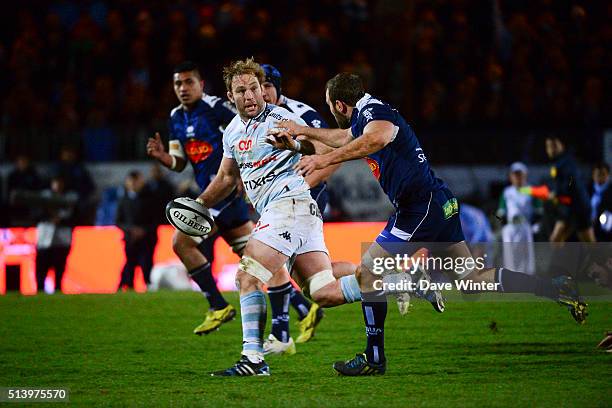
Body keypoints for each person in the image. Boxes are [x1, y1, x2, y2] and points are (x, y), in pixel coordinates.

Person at [272, 73, 587, 376]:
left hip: (418, 207)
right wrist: (304, 131)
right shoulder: (363, 115)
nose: (330, 113)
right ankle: (554, 287)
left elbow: (377, 138)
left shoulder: (374, 112)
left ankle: (374, 356)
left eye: (330, 107)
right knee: (471, 278)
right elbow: (345, 137)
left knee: (367, 271)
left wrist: (323, 159)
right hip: (438, 202)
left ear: (339, 105)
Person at [196, 59, 369, 376]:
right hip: (298, 213)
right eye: (240, 90)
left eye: (253, 88)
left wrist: (296, 144)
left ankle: (253, 360)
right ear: (230, 96)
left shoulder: (281, 118)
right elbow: (225, 178)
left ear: (263, 90)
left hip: (288, 206)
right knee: (322, 292)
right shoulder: (232, 131)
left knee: (247, 277)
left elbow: (316, 145)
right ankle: (397, 281)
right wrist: (199, 203)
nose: (249, 95)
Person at [260, 64, 357, 353]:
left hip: (301, 202)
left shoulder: (300, 115)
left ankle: (280, 336)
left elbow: (334, 157)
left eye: (266, 85)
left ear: (278, 87)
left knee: (263, 261)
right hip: (278, 203)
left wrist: (303, 185)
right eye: (255, 87)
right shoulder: (255, 119)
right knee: (316, 283)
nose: (260, 92)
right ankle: (382, 277)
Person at [146, 61, 249, 334]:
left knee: (181, 242)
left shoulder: (216, 109)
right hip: (211, 193)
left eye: (189, 82)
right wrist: (163, 158)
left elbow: (247, 134)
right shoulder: (176, 117)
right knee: (253, 257)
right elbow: (180, 162)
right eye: (178, 83)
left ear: (201, 85)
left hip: (223, 191)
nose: (183, 88)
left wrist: (241, 175)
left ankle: (218, 306)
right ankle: (302, 305)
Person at [520, 136, 595, 242]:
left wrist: (558, 193)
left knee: (587, 243)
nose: (551, 149)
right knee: (557, 240)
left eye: (554, 145)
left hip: (578, 209)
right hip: (569, 209)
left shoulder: (566, 163)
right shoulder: (559, 163)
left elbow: (571, 180)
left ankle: (602, 258)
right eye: (549, 146)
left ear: (562, 146)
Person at [116, 170, 158, 289]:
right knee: (130, 263)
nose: (134, 184)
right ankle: (127, 285)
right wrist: (131, 230)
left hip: (148, 238)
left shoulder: (151, 198)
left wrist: (143, 230)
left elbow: (156, 219)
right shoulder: (123, 200)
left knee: (147, 263)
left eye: (136, 181)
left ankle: (148, 285)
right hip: (130, 239)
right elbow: (118, 221)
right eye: (131, 181)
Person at [35, 175, 78, 293]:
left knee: (59, 268)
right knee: (42, 268)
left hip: (62, 239)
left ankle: (58, 290)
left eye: (60, 183)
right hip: (45, 239)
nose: (58, 186)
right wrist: (49, 218)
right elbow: (35, 214)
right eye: (55, 182)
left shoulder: (70, 198)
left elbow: (76, 217)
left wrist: (61, 220)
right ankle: (39, 291)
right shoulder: (44, 197)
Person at [497, 162, 541, 274]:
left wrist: (536, 225)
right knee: (509, 254)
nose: (517, 177)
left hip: (525, 226)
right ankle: (511, 277)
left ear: (525, 175)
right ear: (511, 176)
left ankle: (527, 277)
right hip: (510, 226)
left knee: (526, 253)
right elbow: (500, 211)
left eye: (519, 174)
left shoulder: (531, 190)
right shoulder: (507, 192)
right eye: (515, 174)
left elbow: (539, 211)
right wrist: (501, 222)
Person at [589, 162, 611, 242]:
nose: (600, 177)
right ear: (593, 175)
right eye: (598, 174)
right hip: (589, 228)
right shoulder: (588, 189)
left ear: (608, 175)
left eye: (603, 174)